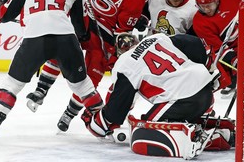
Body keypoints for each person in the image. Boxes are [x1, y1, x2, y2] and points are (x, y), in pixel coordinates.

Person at [25, 0, 146, 132]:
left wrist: (115, 49)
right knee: (61, 44)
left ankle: (70, 112)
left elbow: (121, 32)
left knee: (94, 72)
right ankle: (41, 89)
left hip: (104, 36)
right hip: (83, 15)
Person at [0, 0, 103, 137]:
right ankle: (104, 121)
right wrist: (82, 40)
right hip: (66, 39)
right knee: (83, 87)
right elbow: (81, 28)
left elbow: (7, 13)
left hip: (35, 38)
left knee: (12, 84)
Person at [81, 33, 235, 159]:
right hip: (205, 90)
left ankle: (206, 138)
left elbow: (116, 111)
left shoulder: (125, 64)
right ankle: (220, 131)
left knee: (144, 129)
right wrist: (209, 68)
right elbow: (196, 44)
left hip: (182, 99)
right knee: (168, 116)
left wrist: (94, 122)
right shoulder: (156, 38)